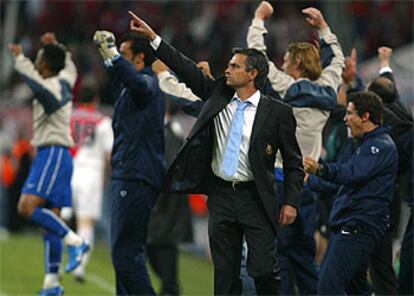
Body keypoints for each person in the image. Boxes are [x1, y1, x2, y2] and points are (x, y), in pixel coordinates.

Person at [129, 11, 304, 296]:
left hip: (257, 198)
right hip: (221, 196)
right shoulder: (218, 94)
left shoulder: (278, 113)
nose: (228, 70)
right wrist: (153, 39)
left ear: (252, 74)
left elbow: (295, 163)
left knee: (262, 270)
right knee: (225, 273)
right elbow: (185, 68)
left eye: (235, 66)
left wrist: (292, 202)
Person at [247, 2, 344, 294]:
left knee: (279, 256)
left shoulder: (284, 87)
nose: (282, 64)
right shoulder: (328, 88)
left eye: (287, 60)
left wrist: (258, 20)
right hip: (308, 183)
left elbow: (255, 58)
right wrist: (324, 27)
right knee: (305, 259)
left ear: (297, 64)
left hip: (279, 181)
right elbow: (336, 60)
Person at [8, 33, 89, 296]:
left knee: (26, 206)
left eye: (39, 58)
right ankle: (51, 283)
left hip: (52, 153)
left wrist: (20, 58)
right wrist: (57, 45)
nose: (36, 60)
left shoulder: (51, 86)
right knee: (50, 220)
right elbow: (70, 65)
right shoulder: (66, 79)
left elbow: (33, 81)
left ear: (44, 65)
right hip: (59, 155)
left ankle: (75, 241)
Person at [304, 91, 398, 295]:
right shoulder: (363, 144)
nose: (345, 119)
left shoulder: (380, 146)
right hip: (352, 223)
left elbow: (350, 173)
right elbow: (345, 179)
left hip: (359, 226)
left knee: (328, 287)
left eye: (350, 113)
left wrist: (320, 169)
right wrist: (313, 179)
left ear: (365, 117)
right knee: (355, 288)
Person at [93, 30, 165, 295]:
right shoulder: (131, 88)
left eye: (123, 55)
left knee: (124, 256)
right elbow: (119, 75)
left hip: (135, 174)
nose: (118, 60)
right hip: (132, 172)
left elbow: (134, 82)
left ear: (139, 59)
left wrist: (110, 52)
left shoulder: (147, 84)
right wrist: (107, 55)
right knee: (129, 253)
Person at [60, 85, 113, 282]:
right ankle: (79, 267)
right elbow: (109, 156)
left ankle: (56, 262)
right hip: (91, 172)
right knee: (85, 221)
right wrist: (105, 178)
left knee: (63, 218)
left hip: (68, 170)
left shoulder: (68, 117)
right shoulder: (103, 122)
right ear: (96, 100)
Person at [146, 101, 193, 296]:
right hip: (166, 206)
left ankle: (170, 291)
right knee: (157, 250)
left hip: (166, 207)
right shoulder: (171, 131)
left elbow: (170, 168)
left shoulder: (170, 133)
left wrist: (156, 200)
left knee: (162, 251)